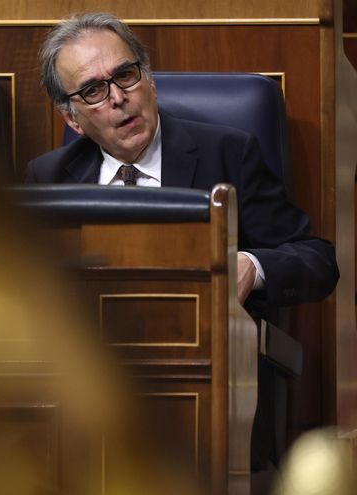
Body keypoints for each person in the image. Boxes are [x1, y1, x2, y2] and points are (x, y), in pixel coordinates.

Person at [25, 10, 339, 489]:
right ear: (73, 119)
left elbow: (317, 259)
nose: (117, 99)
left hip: (209, 381)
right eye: (93, 90)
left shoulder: (228, 153)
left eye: (125, 75)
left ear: (147, 79)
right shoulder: (48, 179)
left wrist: (252, 267)